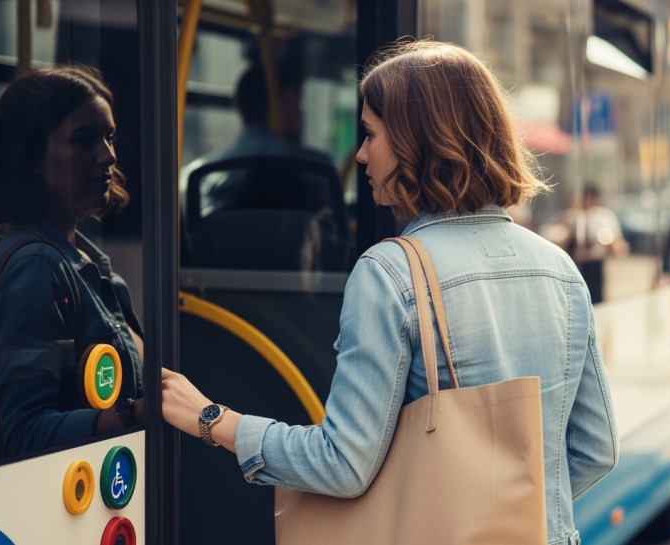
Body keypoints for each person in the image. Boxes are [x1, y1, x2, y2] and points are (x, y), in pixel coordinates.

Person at [161, 40, 619, 545]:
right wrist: (511, 510)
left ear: (418, 142)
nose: (359, 154)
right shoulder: (559, 268)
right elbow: (596, 449)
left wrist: (213, 420)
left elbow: (343, 464)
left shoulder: (390, 271)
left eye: (371, 134)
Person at [0, 64, 144, 458]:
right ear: (31, 158)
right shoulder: (36, 267)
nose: (108, 156)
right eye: (84, 140)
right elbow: (25, 433)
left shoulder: (92, 265)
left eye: (109, 137)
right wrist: (135, 416)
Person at [180, 59, 345, 221]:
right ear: (286, 100)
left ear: (238, 104)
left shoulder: (200, 175)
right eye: (298, 103)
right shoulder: (318, 170)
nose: (302, 113)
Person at [558, 184, 629, 303]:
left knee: (596, 298)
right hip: (576, 263)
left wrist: (608, 242)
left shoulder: (605, 216)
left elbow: (619, 245)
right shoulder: (572, 216)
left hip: (596, 264)